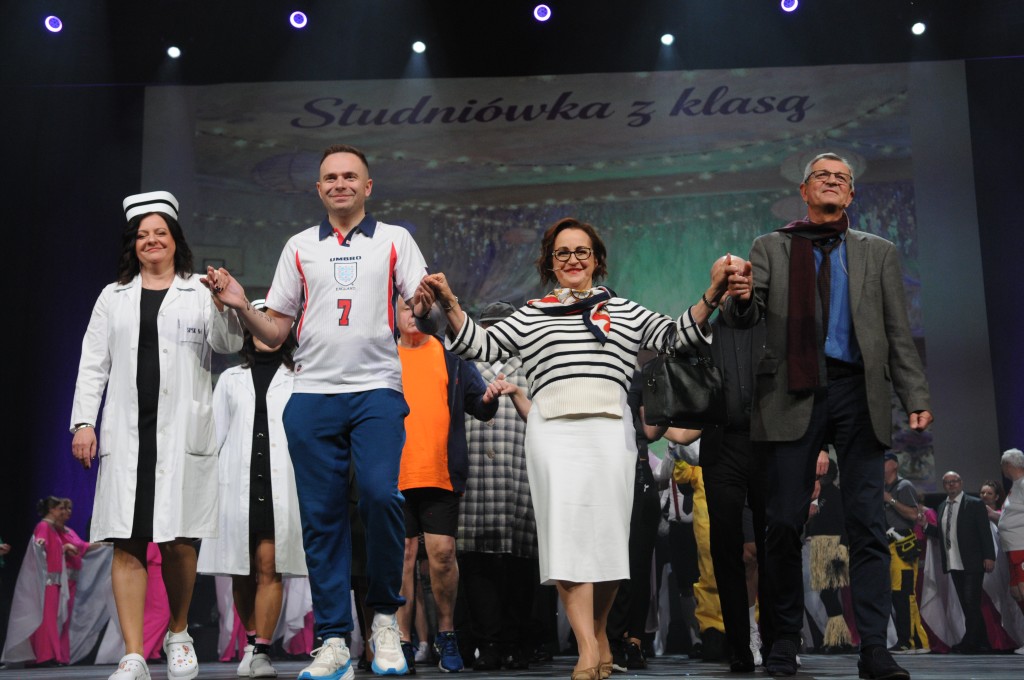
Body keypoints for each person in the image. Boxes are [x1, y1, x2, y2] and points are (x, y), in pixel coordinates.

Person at [416, 216, 722, 680]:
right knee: (565, 540)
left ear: (596, 260)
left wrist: (713, 293)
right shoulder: (531, 313)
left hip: (611, 433)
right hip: (552, 434)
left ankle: (599, 634)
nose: (573, 259)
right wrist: (450, 302)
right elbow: (480, 345)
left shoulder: (625, 311)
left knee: (608, 544)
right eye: (563, 253)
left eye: (582, 252)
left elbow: (674, 335)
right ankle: (586, 646)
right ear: (550, 263)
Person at [203, 144, 431, 679]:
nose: (340, 184)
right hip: (311, 394)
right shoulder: (299, 246)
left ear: (368, 186)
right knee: (321, 519)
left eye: (350, 176)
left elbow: (417, 306)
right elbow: (276, 330)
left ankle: (383, 619)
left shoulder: (395, 240)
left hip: (376, 389)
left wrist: (424, 302)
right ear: (319, 189)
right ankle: (332, 638)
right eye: (330, 177)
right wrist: (240, 305)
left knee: (380, 496)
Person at [719, 151, 933, 679]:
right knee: (782, 523)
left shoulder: (877, 251)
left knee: (866, 523)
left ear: (851, 194)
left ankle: (874, 649)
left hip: (858, 391)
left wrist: (915, 395)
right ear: (805, 190)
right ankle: (783, 640)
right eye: (823, 176)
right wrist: (739, 296)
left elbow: (897, 330)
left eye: (842, 178)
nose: (832, 182)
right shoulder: (771, 246)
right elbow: (744, 316)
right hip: (791, 392)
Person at [70, 190, 243, 680]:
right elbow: (93, 364)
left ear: (175, 240)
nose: (152, 241)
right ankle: (133, 655)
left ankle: (179, 631)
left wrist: (225, 304)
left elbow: (229, 342)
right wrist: (83, 422)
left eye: (160, 233)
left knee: (179, 541)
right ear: (134, 243)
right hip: (129, 434)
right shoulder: (112, 297)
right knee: (127, 542)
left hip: (181, 433)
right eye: (143, 235)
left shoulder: (199, 292)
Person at [196, 307, 306, 679]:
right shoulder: (230, 379)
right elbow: (215, 435)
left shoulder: (299, 377)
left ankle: (261, 650)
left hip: (280, 483)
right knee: (239, 570)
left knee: (269, 566)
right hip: (236, 484)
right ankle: (250, 640)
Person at [392, 296, 499, 673]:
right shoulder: (383, 358)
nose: (412, 314)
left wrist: (489, 398)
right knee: (403, 556)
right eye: (405, 308)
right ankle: (402, 641)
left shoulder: (451, 358)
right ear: (393, 314)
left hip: (439, 474)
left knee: (441, 555)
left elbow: (480, 405)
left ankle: (447, 634)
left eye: (418, 308)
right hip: (394, 474)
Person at [454, 301, 538, 672]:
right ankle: (487, 642)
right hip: (476, 482)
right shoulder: (465, 367)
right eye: (491, 328)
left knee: (521, 565)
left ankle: (515, 642)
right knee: (479, 565)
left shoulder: (531, 369)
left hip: (521, 479)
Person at [925, 471, 996, 654]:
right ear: (944, 485)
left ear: (961, 483)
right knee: (966, 603)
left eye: (954, 481)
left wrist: (989, 556)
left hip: (972, 561)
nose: (951, 484)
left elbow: (984, 531)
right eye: (948, 482)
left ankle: (970, 642)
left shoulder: (974, 503)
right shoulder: (942, 506)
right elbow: (942, 534)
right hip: (953, 561)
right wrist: (925, 526)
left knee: (971, 602)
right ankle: (981, 641)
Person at [883, 451, 929, 654]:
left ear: (894, 464)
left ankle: (913, 641)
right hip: (889, 545)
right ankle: (905, 640)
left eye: (884, 461)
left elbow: (913, 514)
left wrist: (890, 500)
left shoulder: (904, 486)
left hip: (903, 545)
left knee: (905, 594)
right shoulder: (884, 487)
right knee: (897, 594)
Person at [56, 498, 92, 665]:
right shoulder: (52, 530)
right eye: (63, 508)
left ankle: (62, 655)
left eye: (69, 508)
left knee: (66, 618)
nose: (67, 512)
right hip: (58, 580)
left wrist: (105, 544)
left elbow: (83, 546)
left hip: (72, 580)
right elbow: (45, 548)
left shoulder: (69, 531)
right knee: (57, 616)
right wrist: (64, 548)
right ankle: (52, 654)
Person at [997, 448, 1024, 654]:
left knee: (1023, 590)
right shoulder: (1015, 486)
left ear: (1008, 465)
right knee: (1017, 592)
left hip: (1021, 547)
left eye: (1003, 465)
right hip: (1011, 547)